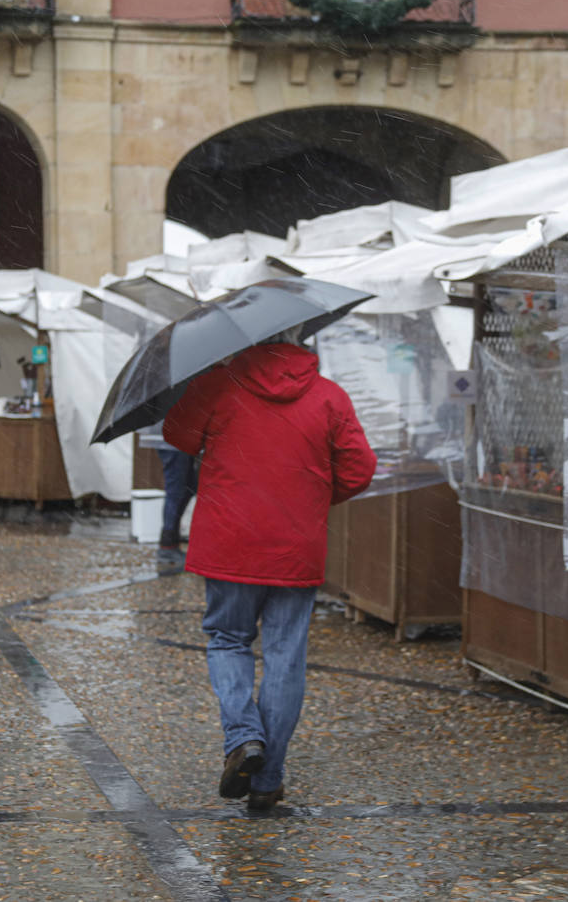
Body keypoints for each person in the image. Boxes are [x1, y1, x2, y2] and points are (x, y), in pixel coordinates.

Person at [163, 328, 376, 811]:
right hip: (295, 547)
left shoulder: (219, 384)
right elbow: (359, 469)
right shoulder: (329, 396)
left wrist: (202, 383)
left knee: (228, 640)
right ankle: (267, 781)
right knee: (285, 658)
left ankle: (243, 737)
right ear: (300, 338)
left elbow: (177, 435)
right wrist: (312, 498)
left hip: (229, 541)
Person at [156, 443, 198, 570]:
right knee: (175, 490)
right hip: (173, 441)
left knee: (188, 487)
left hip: (180, 440)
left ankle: (171, 542)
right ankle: (167, 547)